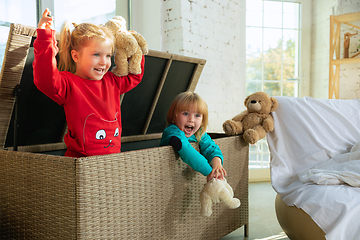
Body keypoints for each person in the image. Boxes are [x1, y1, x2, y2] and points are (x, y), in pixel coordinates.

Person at [33, 9, 145, 157]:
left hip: (113, 160)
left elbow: (134, 75)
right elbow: (45, 78)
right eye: (96, 54)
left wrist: (134, 48)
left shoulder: (112, 81)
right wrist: (45, 38)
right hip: (81, 164)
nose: (104, 62)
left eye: (108, 55)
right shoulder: (69, 84)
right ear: (76, 56)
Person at [160, 92, 227, 182]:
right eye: (185, 114)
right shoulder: (172, 132)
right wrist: (209, 172)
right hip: (165, 177)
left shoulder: (198, 133)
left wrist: (217, 164)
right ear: (175, 116)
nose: (191, 119)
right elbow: (186, 149)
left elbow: (211, 147)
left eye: (197, 115)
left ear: (202, 120)